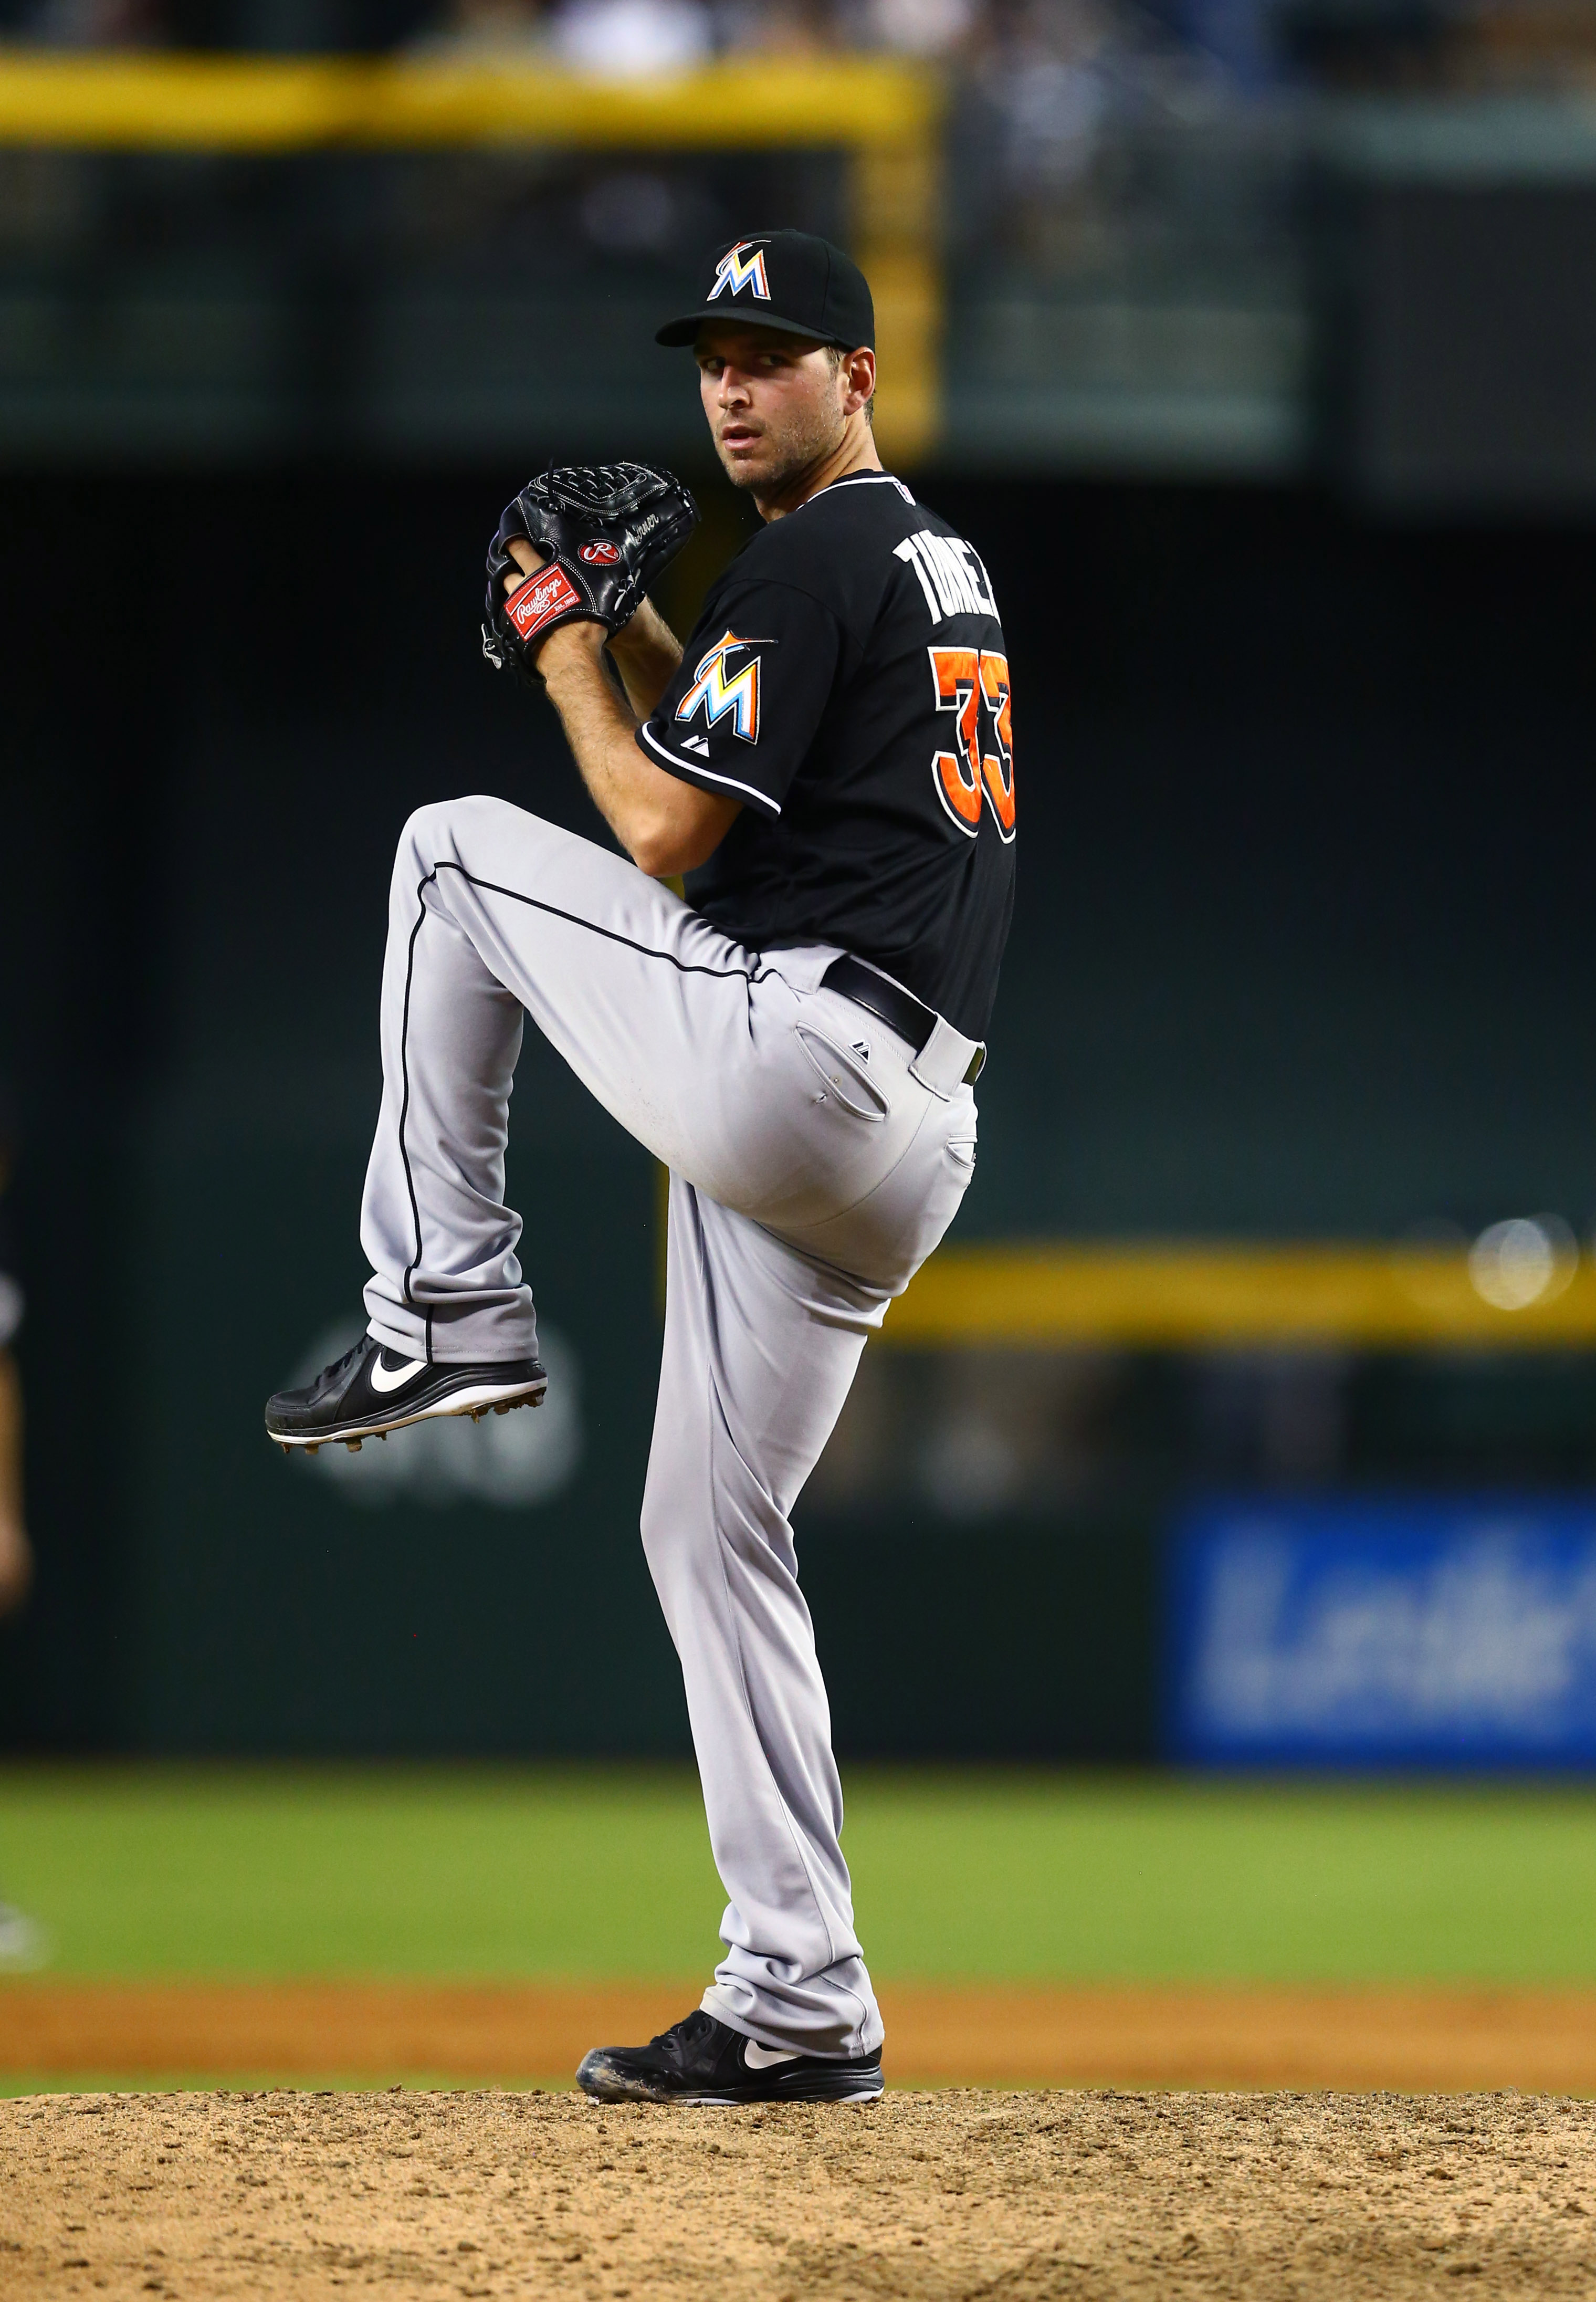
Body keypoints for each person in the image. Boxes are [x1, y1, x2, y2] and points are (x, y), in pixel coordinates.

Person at [265, 228, 1015, 2104]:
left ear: (859, 374)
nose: (735, 383)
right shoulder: (924, 562)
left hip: (803, 1063)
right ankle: (800, 1993)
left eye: (776, 353)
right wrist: (657, 638)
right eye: (715, 356)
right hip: (904, 1122)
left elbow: (666, 828)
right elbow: (763, 816)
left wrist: (570, 646)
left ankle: (446, 1302)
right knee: (706, 1527)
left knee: (450, 853)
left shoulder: (820, 550)